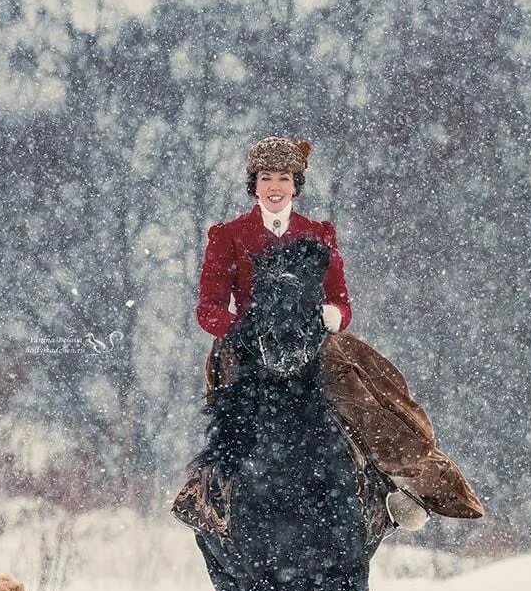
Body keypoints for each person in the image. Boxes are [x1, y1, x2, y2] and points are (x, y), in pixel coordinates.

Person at [172, 136, 484, 535]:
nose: (274, 187)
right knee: (230, 409)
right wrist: (243, 328)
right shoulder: (228, 234)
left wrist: (319, 317)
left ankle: (404, 483)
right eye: (266, 178)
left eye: (283, 178)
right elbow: (208, 308)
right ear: (254, 185)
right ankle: (206, 498)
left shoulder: (318, 232)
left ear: (295, 185)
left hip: (311, 339)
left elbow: (342, 304)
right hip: (249, 343)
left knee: (367, 389)